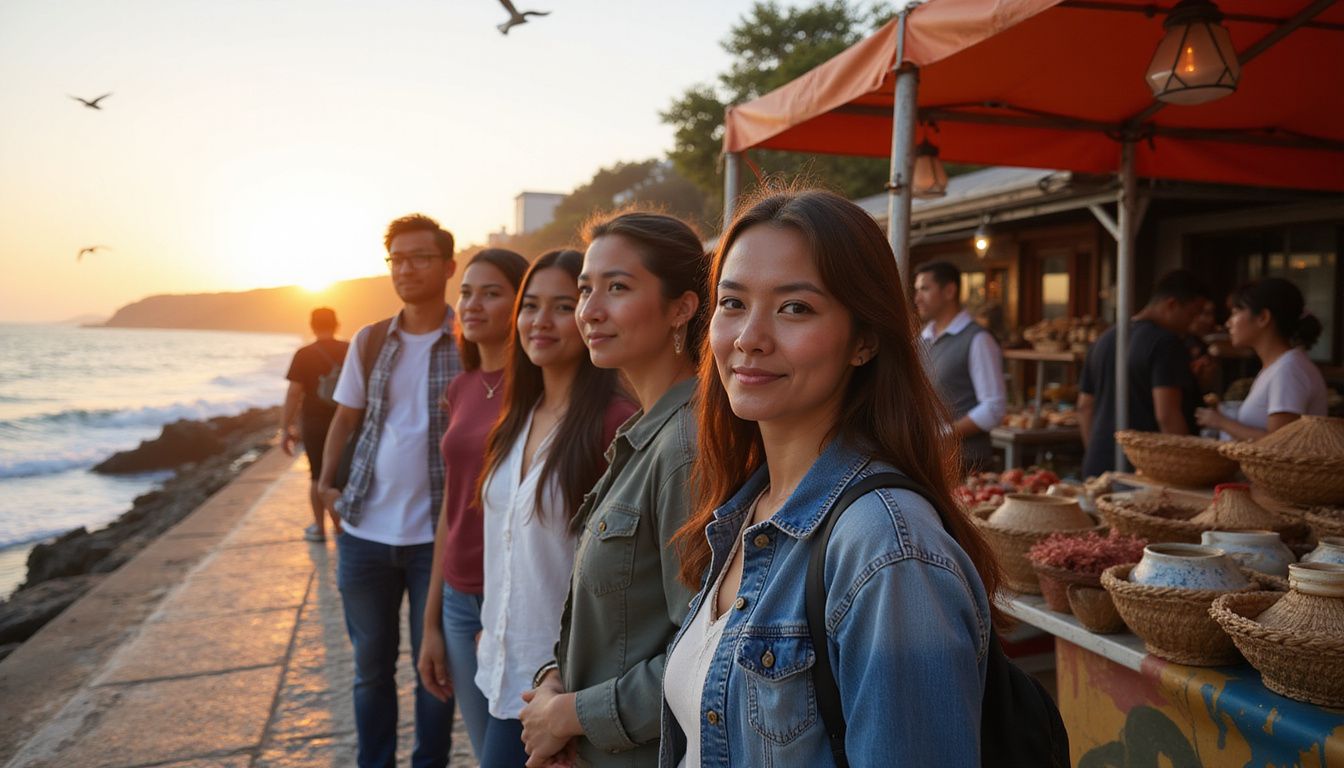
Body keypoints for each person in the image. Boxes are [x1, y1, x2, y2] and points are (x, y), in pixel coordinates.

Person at [660, 189, 998, 766]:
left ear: (864, 340)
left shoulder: (887, 548)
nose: (748, 338)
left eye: (795, 308)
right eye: (733, 302)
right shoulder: (749, 505)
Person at [518, 211, 707, 768]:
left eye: (617, 288)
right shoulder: (643, 435)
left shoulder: (686, 449)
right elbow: (622, 620)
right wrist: (555, 681)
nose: (589, 311)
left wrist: (570, 715)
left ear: (682, 307)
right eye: (584, 290)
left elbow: (704, 656)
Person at [474, 250, 638, 766]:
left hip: (562, 689)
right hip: (497, 667)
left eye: (563, 306)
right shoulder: (515, 415)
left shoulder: (614, 425)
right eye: (531, 305)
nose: (540, 322)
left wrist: (575, 695)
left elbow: (626, 578)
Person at [316, 213, 461, 768]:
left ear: (448, 266)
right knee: (370, 669)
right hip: (364, 533)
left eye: (420, 257)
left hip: (437, 537)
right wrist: (326, 485)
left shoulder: (469, 340)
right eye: (397, 259)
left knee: (436, 668)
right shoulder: (370, 339)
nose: (406, 268)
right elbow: (346, 420)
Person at [417, 248, 529, 761]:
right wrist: (430, 623)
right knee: (485, 748)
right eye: (465, 292)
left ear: (519, 303)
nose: (472, 303)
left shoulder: (538, 392)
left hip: (515, 598)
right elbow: (451, 504)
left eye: (491, 292)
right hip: (460, 599)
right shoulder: (460, 387)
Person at [1077, 269, 1208, 478]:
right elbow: (1167, 415)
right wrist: (1185, 471)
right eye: (1192, 314)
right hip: (1144, 470)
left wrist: (1095, 453)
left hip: (1097, 464)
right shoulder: (1166, 343)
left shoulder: (1105, 338)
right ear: (1171, 305)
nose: (1192, 324)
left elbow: (1085, 406)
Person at [1195, 277, 1327, 440]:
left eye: (1236, 312)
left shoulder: (1288, 370)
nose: (1228, 323)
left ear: (1263, 317)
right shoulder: (1278, 366)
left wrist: (1221, 422)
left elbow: (1278, 444)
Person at [912, 261, 1007, 469]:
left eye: (925, 289)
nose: (917, 298)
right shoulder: (922, 340)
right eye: (916, 290)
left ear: (949, 291)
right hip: (930, 462)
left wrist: (944, 435)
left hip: (967, 465)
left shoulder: (978, 339)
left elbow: (994, 407)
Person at [281, 307, 349, 542]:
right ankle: (342, 528)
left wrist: (285, 429)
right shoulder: (350, 349)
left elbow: (293, 394)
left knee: (317, 475)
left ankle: (320, 529)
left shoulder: (304, 354)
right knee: (343, 475)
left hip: (314, 424)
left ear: (312, 325)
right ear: (336, 324)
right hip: (346, 421)